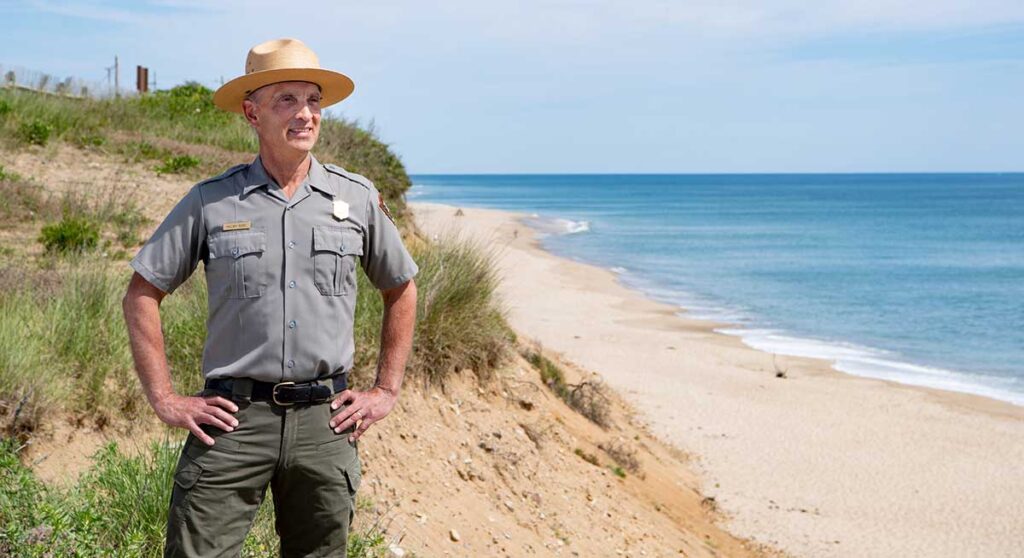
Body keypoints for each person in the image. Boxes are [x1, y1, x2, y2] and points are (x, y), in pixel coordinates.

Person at [122, 38, 418, 557]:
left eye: (313, 100)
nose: (306, 114)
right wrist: (164, 398)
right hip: (233, 420)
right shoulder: (211, 200)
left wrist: (386, 391)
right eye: (287, 100)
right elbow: (142, 292)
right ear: (251, 112)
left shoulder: (357, 197)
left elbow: (401, 288)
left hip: (326, 422)